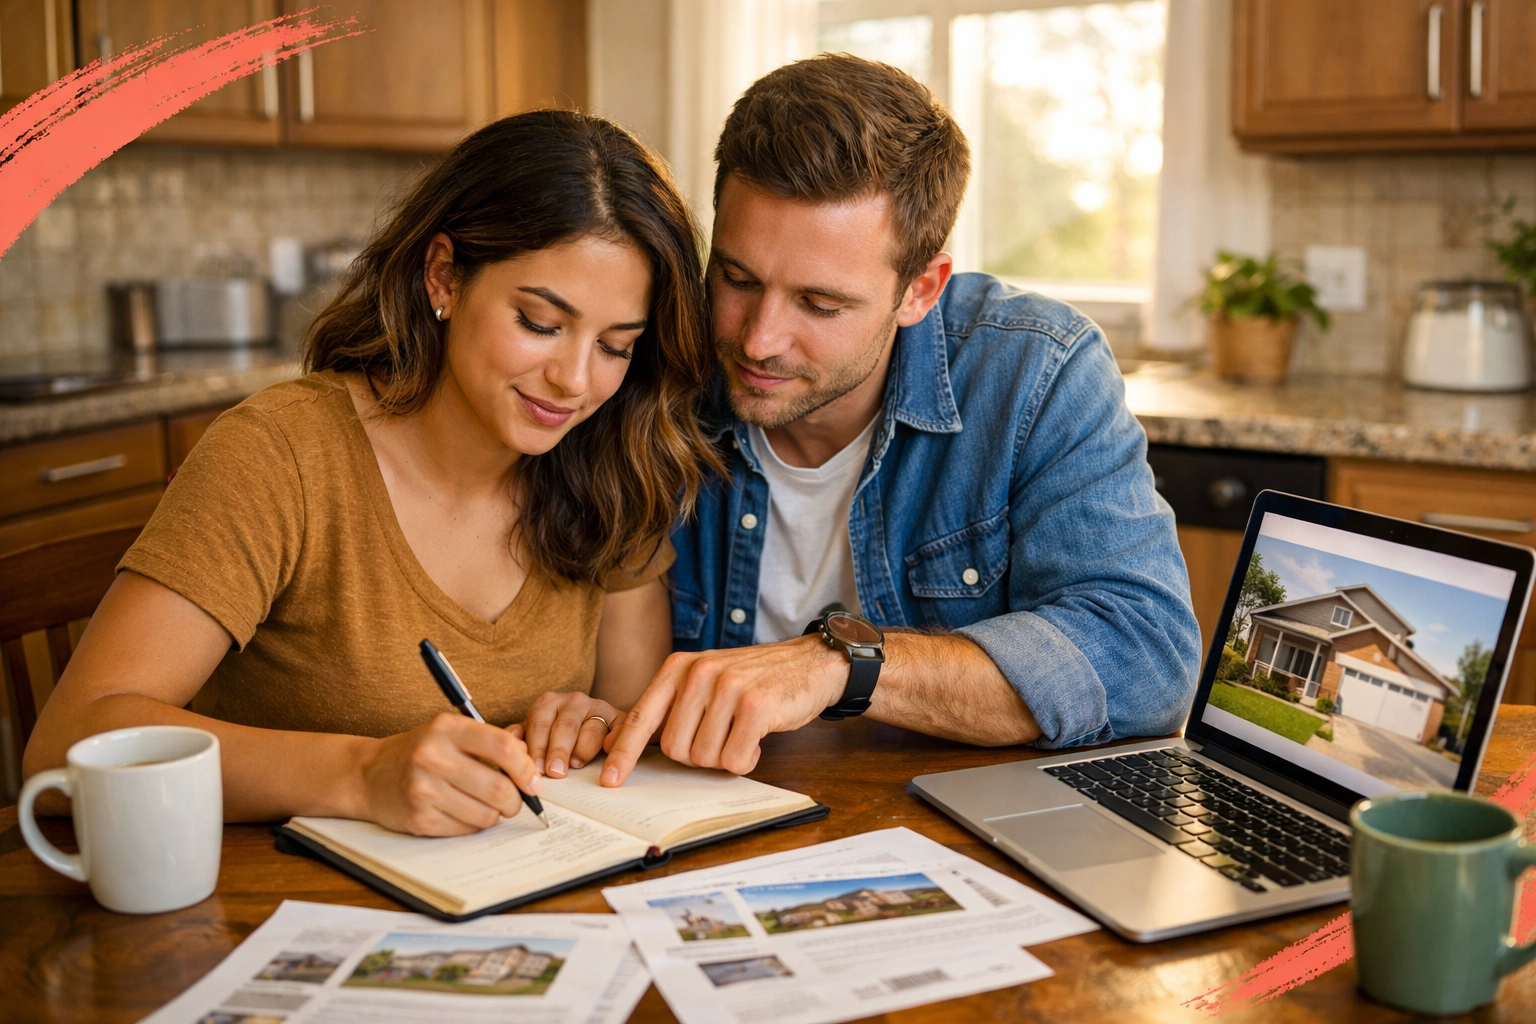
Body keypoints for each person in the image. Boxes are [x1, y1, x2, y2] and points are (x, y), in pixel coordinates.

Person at [23, 110, 719, 836]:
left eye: (615, 345)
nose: (575, 381)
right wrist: (359, 775)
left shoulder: (614, 464)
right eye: (540, 323)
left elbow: (625, 727)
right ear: (443, 275)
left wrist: (594, 723)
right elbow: (67, 745)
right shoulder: (283, 454)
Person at [581, 54, 1202, 786]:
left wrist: (843, 665)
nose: (758, 339)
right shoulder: (645, 359)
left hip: (943, 832)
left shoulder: (1034, 373)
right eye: (738, 278)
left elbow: (1146, 656)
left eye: (820, 304)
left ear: (920, 290)